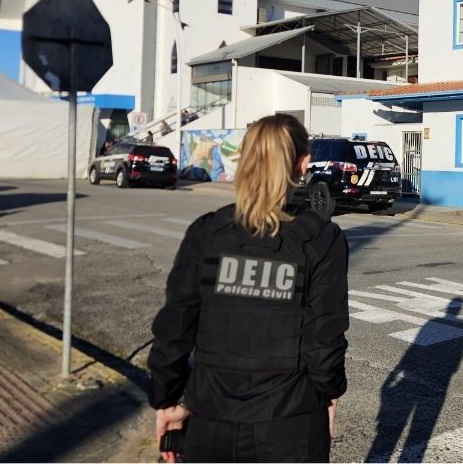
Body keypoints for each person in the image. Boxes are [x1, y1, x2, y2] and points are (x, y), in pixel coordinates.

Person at [148, 113, 350, 463]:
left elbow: (175, 326)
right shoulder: (321, 238)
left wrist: (166, 400)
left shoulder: (208, 233)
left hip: (212, 420)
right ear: (303, 162)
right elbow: (324, 338)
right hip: (292, 424)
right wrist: (328, 395)